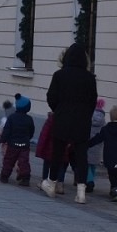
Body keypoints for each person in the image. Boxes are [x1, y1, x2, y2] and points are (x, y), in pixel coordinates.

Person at [43, 42, 98, 200]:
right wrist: (86, 115)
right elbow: (92, 100)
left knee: (57, 153)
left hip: (62, 118)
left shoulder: (59, 75)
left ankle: (52, 184)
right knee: (81, 156)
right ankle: (81, 191)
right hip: (82, 121)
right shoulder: (90, 78)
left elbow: (51, 97)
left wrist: (58, 109)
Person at [0, 94, 34, 186]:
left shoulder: (12, 117)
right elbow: (31, 131)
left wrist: (3, 139)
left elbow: (7, 130)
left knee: (8, 161)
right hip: (24, 146)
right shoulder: (29, 119)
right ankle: (25, 178)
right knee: (24, 162)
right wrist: (27, 139)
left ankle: (4, 176)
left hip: (12, 145)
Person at [86, 98, 107, 192]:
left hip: (88, 144)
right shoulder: (103, 121)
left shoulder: (88, 116)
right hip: (97, 146)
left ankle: (89, 181)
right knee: (93, 165)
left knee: (87, 165)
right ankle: (91, 180)